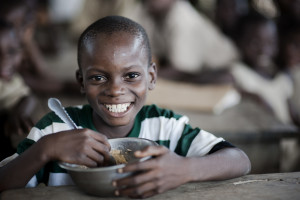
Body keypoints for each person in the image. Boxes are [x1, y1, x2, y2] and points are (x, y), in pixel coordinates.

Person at [0, 16, 251, 198]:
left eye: (131, 76)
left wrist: (184, 169)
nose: (115, 90)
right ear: (81, 82)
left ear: (151, 77)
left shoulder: (166, 127)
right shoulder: (55, 129)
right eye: (98, 78)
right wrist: (45, 150)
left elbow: (240, 160)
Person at [121, 0, 239, 84]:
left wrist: (141, 73)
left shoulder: (184, 19)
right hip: (185, 71)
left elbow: (182, 71)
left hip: (224, 68)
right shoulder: (146, 9)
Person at [230, 11, 293, 125]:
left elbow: (292, 115)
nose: (264, 50)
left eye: (270, 42)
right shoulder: (237, 73)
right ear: (239, 42)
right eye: (255, 43)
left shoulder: (280, 77)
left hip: (287, 136)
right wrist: (253, 97)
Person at [0, 20, 37, 161]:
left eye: (11, 51)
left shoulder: (11, 79)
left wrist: (20, 111)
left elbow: (27, 96)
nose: (4, 60)